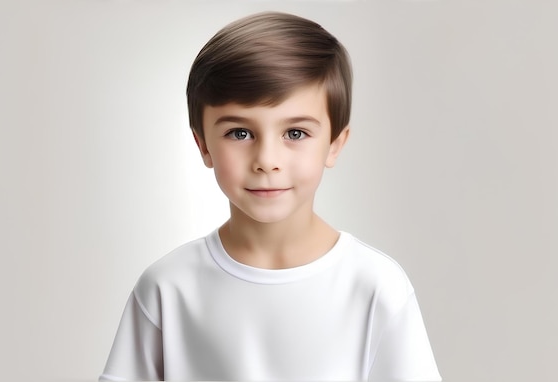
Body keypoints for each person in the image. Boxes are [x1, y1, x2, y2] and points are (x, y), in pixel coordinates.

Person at [100, 11, 441, 381]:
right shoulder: (167, 287)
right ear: (203, 145)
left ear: (334, 145)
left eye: (295, 133)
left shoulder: (376, 287)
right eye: (239, 133)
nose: (267, 161)